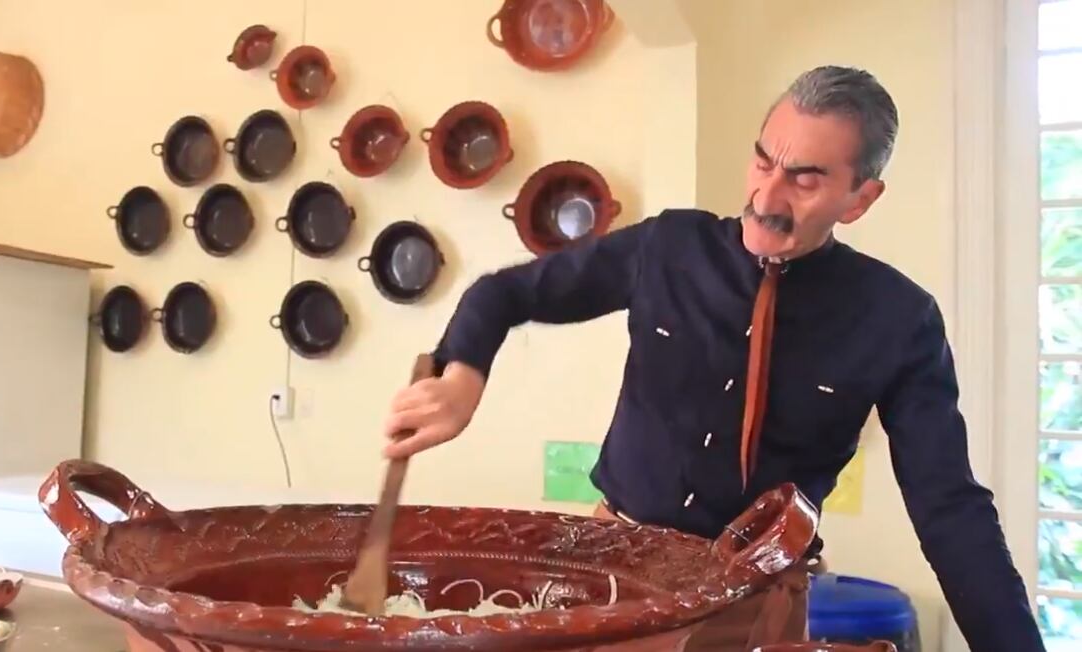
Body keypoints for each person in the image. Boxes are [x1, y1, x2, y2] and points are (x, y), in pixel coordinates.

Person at [382, 65, 1046, 651]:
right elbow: (503, 294)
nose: (767, 197)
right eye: (762, 162)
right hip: (611, 573)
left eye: (805, 180)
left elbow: (950, 511)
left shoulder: (899, 320)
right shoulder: (668, 247)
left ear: (860, 198)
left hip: (756, 600)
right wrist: (461, 376)